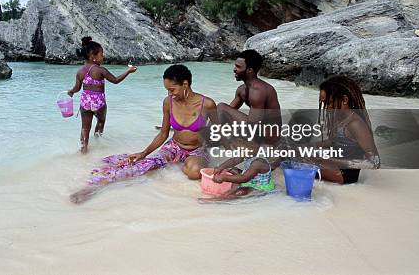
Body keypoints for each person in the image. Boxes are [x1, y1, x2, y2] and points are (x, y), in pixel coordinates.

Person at [70, 64, 218, 203]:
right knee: (144, 166)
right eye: (167, 90)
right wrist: (144, 153)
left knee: (194, 173)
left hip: (197, 150)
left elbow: (218, 132)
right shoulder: (168, 102)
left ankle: (180, 164)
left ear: (185, 84)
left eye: (172, 90)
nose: (169, 94)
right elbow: (163, 134)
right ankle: (94, 187)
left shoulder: (208, 104)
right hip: (175, 146)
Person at [68, 37, 137, 154]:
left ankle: (84, 148)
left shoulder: (80, 71)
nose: (103, 57)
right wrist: (128, 72)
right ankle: (98, 142)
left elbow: (77, 88)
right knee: (100, 121)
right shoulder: (100, 70)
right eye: (101, 54)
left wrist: (71, 92)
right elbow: (115, 80)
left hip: (85, 102)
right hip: (99, 102)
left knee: (85, 127)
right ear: (93, 57)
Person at [311, 75, 380, 184]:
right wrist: (310, 146)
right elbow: (334, 142)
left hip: (345, 175)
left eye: (328, 103)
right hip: (334, 166)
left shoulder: (356, 124)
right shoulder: (339, 118)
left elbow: (374, 162)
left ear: (344, 100)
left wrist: (328, 160)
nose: (326, 107)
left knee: (296, 165)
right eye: (323, 103)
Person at [201, 156, 275, 201]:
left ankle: (220, 199)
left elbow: (244, 178)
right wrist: (221, 167)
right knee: (233, 169)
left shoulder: (258, 162)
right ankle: (230, 191)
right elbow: (234, 160)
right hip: (250, 179)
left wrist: (224, 177)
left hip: (259, 186)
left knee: (242, 191)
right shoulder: (248, 152)